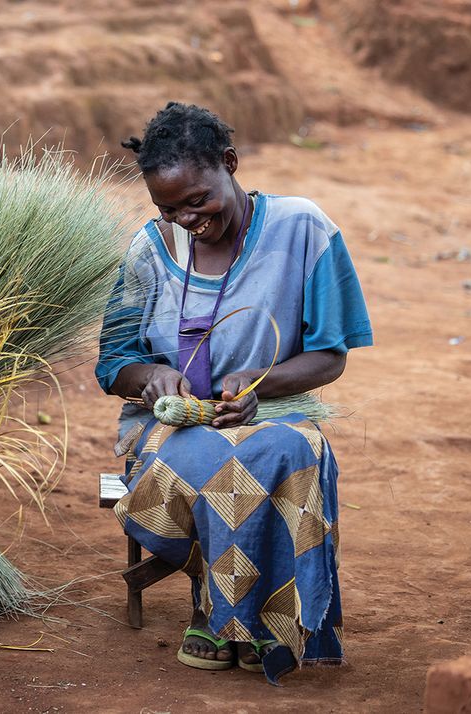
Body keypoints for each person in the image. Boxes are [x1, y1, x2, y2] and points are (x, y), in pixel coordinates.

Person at [96, 102, 372, 683]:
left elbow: (330, 354)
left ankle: (250, 617)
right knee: (210, 460)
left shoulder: (304, 228)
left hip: (275, 409)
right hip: (171, 423)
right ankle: (223, 612)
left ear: (230, 163)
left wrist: (257, 385)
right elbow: (114, 362)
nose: (187, 219)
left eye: (198, 200)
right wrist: (151, 380)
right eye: (169, 208)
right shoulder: (150, 250)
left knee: (286, 451)